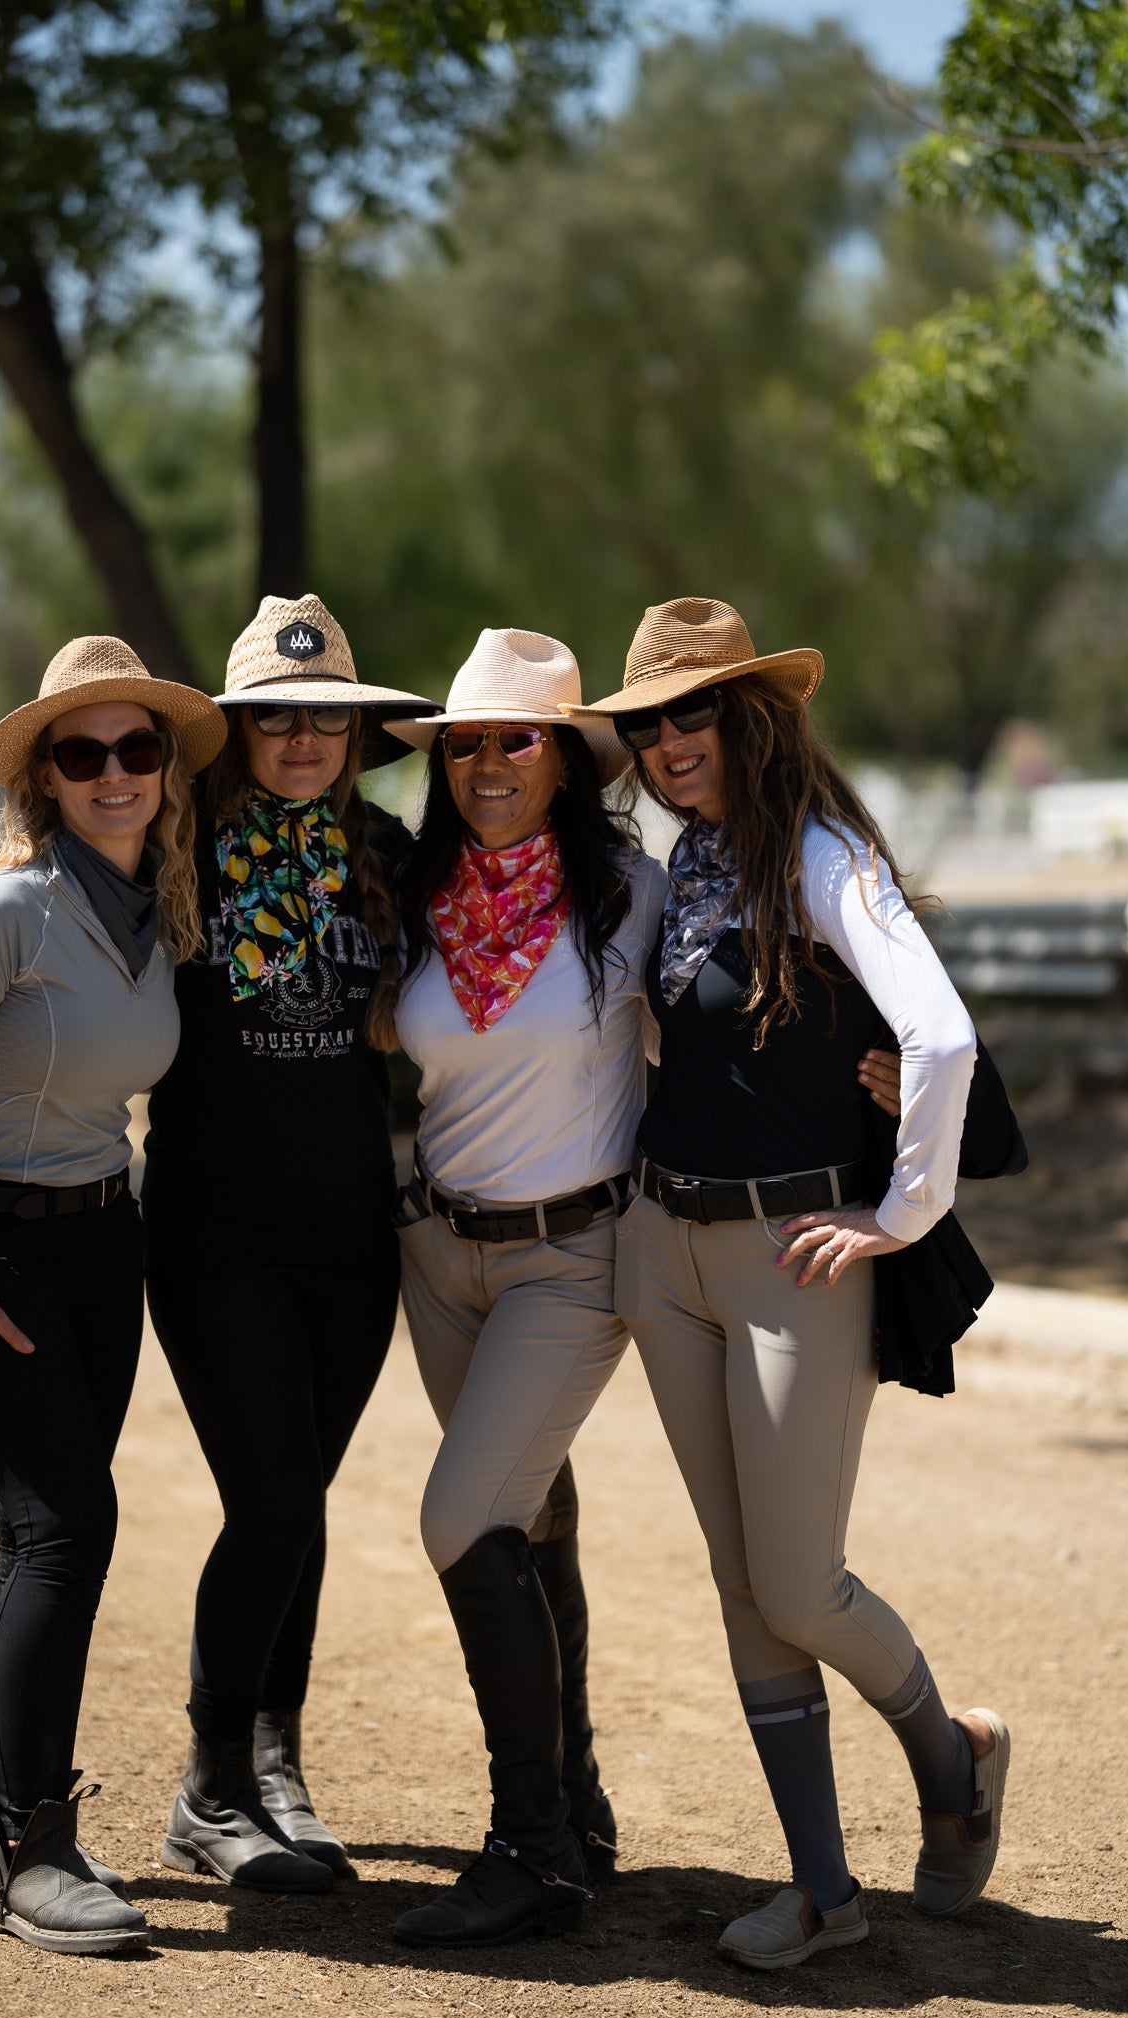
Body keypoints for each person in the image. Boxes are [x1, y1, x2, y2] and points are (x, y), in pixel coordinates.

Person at [571, 596, 1009, 1971]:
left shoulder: (820, 857)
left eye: (690, 714)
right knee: (737, 1580)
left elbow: (937, 1037)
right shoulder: (678, 866)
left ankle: (954, 1760)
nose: (666, 743)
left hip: (791, 1256)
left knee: (799, 1583)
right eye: (643, 726)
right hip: (664, 1247)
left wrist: (898, 1209)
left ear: (749, 718)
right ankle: (822, 1890)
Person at [0, 635, 225, 1953]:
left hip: (101, 1246)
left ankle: (9, 1827)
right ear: (45, 776)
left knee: (37, 1530)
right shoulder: (1, 908)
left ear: (164, 768)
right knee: (66, 1524)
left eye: (137, 746)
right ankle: (31, 1848)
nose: (114, 772)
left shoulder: (156, 907)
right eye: (81, 753)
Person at [374, 628, 667, 1949]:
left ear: (564, 761)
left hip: (571, 1257)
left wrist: (876, 1077)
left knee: (459, 1517)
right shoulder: (416, 896)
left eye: (518, 739)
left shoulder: (629, 898)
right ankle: (582, 1800)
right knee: (529, 1512)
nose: (488, 763)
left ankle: (529, 1846)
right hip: (438, 1254)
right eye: (466, 742)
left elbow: (736, 1011)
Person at [140, 594, 434, 1894]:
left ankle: (276, 1766)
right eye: (273, 716)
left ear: (356, 732)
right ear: (239, 734)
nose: (301, 735)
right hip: (212, 1233)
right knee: (267, 1499)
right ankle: (209, 1792)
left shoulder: (388, 852)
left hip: (351, 1239)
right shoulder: (170, 852)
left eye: (323, 714)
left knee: (296, 1506)